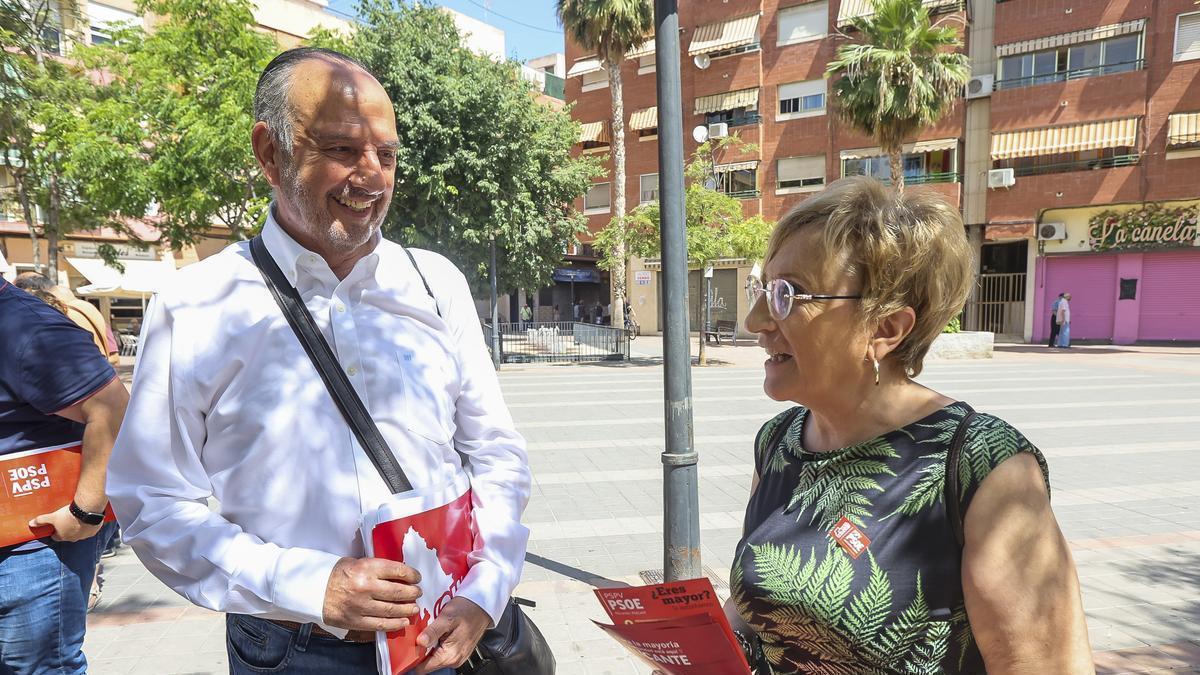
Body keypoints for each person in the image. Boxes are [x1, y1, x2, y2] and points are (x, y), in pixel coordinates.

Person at [106, 48, 531, 675]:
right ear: (270, 153)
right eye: (341, 150)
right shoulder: (195, 306)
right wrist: (307, 584)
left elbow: (496, 453)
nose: (371, 176)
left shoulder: (436, 283)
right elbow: (152, 503)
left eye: (385, 154)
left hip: (448, 629)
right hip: (293, 651)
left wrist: (485, 592)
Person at [728, 178, 1092, 673]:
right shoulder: (778, 443)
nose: (756, 320)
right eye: (764, 289)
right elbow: (756, 611)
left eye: (788, 294)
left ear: (885, 328)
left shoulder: (984, 465)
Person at [0, 278, 128, 674]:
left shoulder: (23, 324)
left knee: (37, 667)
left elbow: (113, 409)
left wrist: (85, 513)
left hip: (30, 545)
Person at [14, 272, 120, 365]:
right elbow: (113, 356)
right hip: (99, 378)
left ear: (31, 291)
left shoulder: (55, 314)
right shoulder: (90, 308)